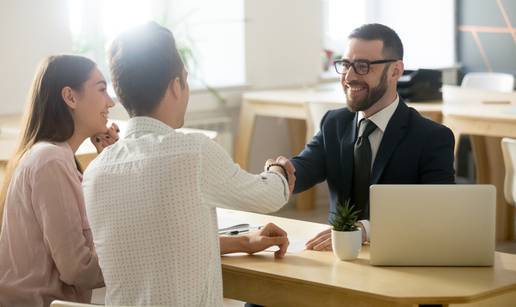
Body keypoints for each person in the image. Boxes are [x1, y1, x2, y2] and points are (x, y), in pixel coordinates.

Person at [82, 22, 294, 306]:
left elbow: (159, 248)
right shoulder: (194, 153)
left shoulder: (95, 172)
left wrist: (244, 241)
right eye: (186, 79)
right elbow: (270, 196)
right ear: (176, 85)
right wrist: (277, 170)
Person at [272, 23, 455, 251]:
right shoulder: (334, 122)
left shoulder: (432, 138)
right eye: (346, 64)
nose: (348, 76)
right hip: (336, 254)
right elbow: (306, 165)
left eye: (362, 66)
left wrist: (364, 231)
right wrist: (280, 172)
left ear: (396, 71)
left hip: (400, 253)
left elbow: (435, 210)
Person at [0, 55, 119, 306]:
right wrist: (139, 256)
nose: (111, 102)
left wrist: (108, 163)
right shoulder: (50, 161)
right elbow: (79, 271)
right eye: (101, 89)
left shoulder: (57, 158)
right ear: (70, 97)